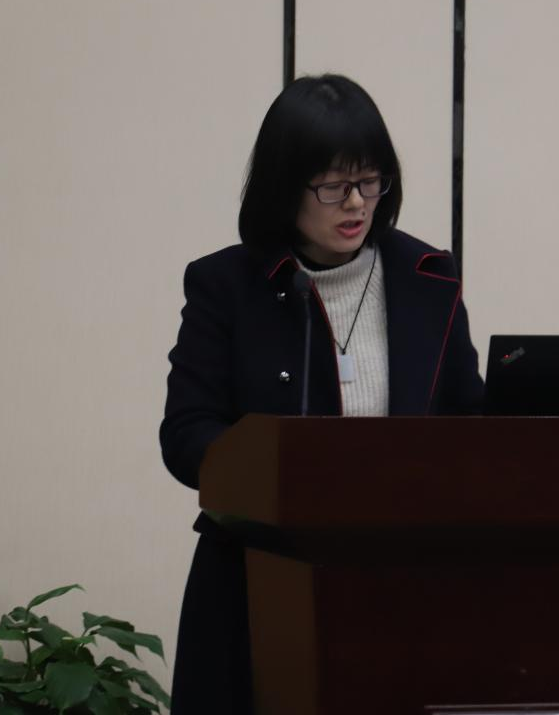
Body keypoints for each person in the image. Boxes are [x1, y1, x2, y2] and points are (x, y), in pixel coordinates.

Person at [159, 74, 485, 712]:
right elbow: (186, 433)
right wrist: (274, 468)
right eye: (335, 187)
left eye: (371, 181)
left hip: (403, 588)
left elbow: (468, 422)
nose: (357, 203)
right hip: (257, 584)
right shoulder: (227, 286)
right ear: (285, 187)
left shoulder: (428, 278)